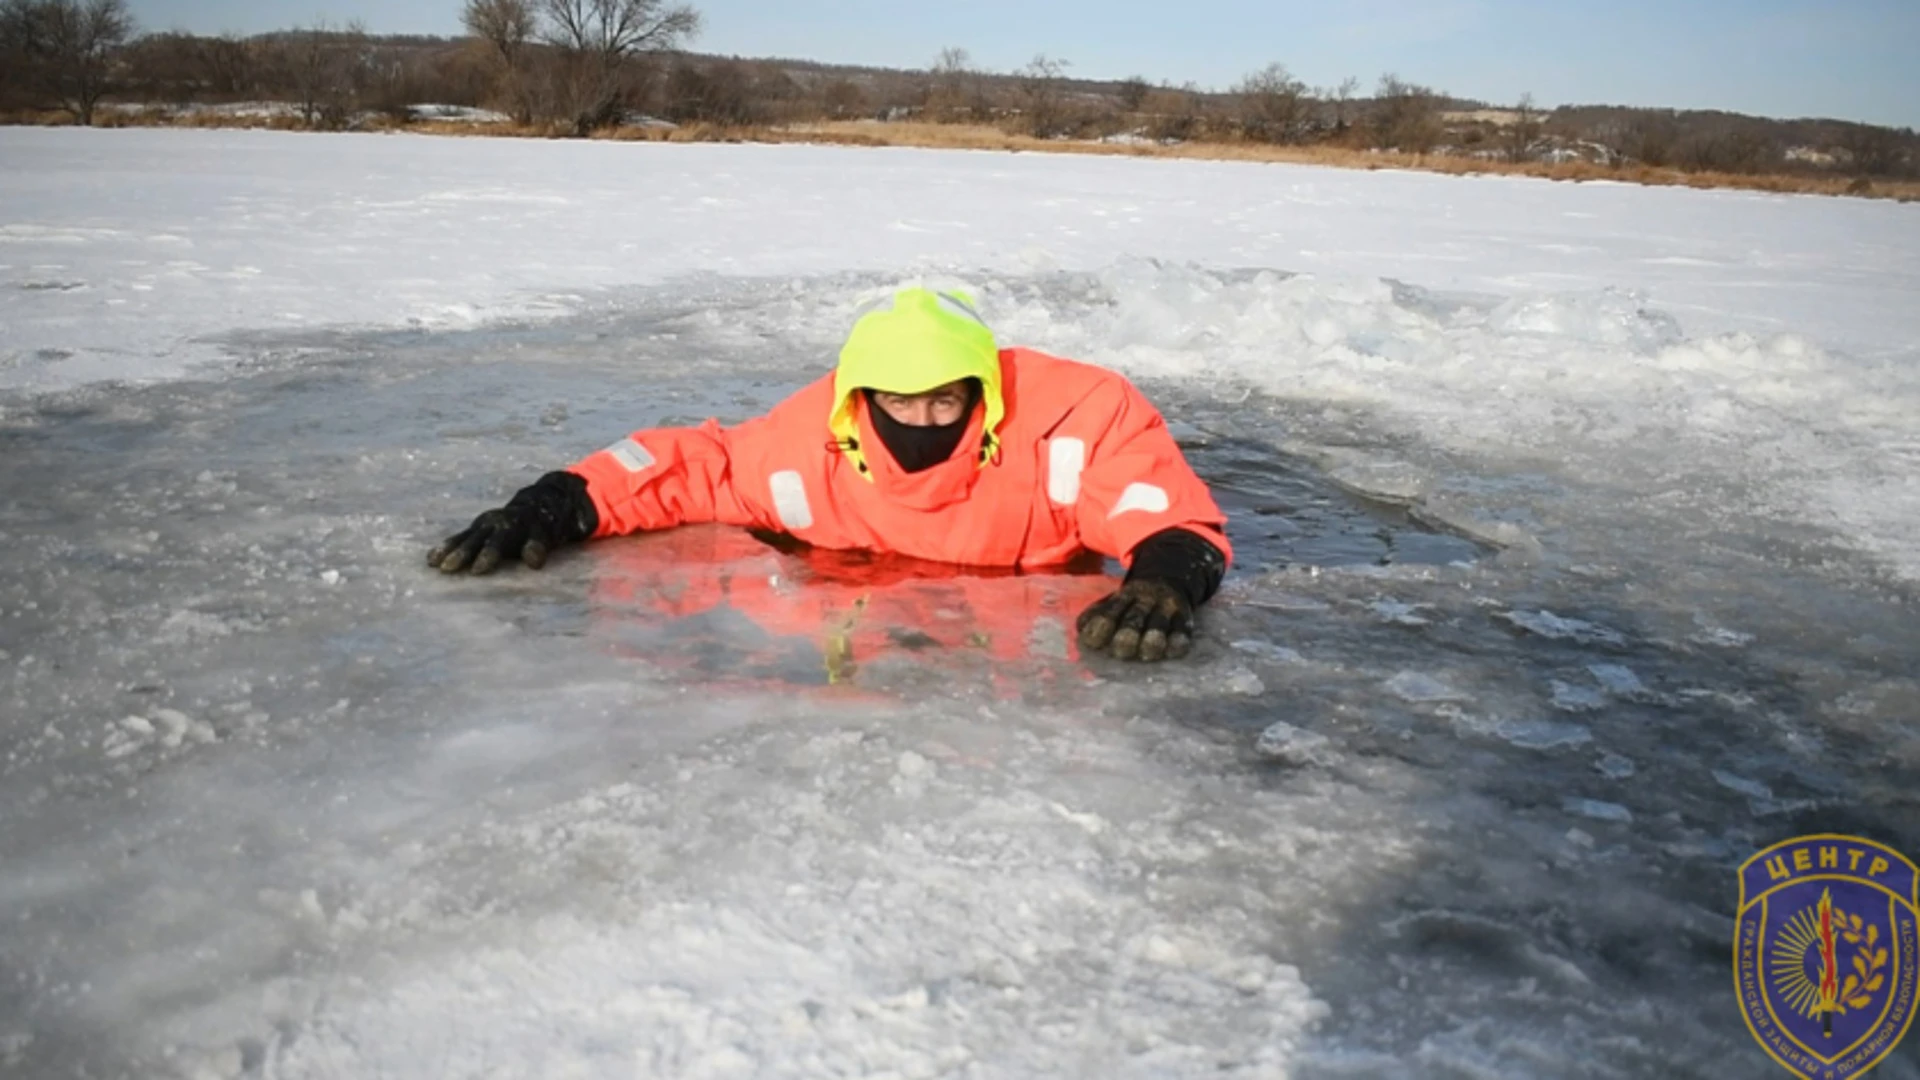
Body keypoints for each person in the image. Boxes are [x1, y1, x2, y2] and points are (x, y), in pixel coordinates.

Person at [428, 287, 1231, 662]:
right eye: (898, 404)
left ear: (981, 397)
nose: (921, 424)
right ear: (858, 402)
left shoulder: (1073, 416)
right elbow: (686, 464)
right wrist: (555, 502)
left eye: (946, 404)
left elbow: (1164, 510)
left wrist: (1164, 579)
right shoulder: (806, 453)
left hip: (1020, 671)